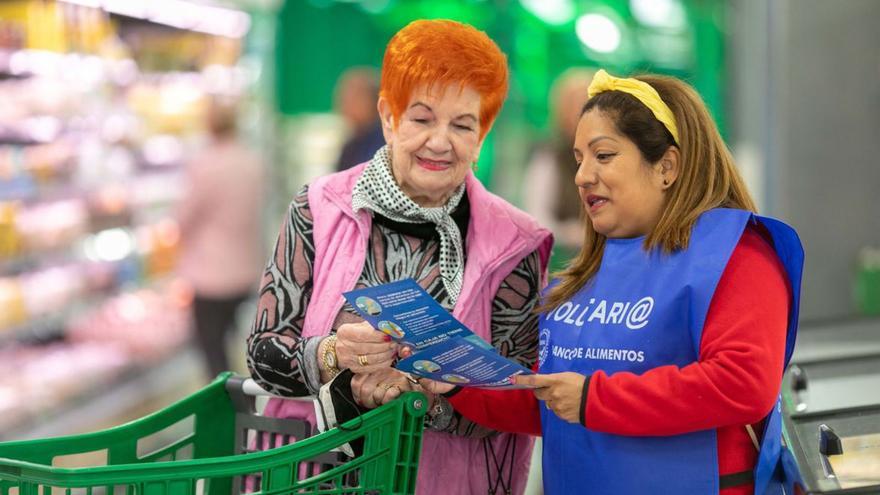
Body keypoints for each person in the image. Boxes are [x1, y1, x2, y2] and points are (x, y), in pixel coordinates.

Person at [424, 70, 804, 495]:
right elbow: (552, 399)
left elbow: (743, 383)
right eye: (578, 158)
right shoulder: (585, 276)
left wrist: (593, 400)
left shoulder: (739, 255)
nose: (582, 175)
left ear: (667, 166)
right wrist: (456, 378)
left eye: (603, 156)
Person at [247, 19, 553, 495]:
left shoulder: (516, 244)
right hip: (312, 476)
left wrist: (420, 399)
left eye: (462, 124)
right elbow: (262, 354)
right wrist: (332, 355)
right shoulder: (318, 208)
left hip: (447, 481)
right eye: (422, 117)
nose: (439, 141)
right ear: (389, 116)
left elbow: (519, 402)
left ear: (482, 135)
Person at [177, 96, 264, 379]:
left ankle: (225, 410)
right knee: (231, 338)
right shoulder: (252, 161)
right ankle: (241, 399)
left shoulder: (206, 165)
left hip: (211, 274)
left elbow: (185, 217)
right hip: (246, 267)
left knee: (212, 351)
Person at [522, 68, 595, 271]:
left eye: (588, 101)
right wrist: (572, 233)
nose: (581, 110)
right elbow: (536, 217)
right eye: (574, 103)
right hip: (565, 262)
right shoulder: (549, 154)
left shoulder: (614, 153)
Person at [333, 67, 386, 172]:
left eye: (353, 98)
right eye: (344, 98)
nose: (345, 105)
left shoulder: (384, 143)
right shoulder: (351, 144)